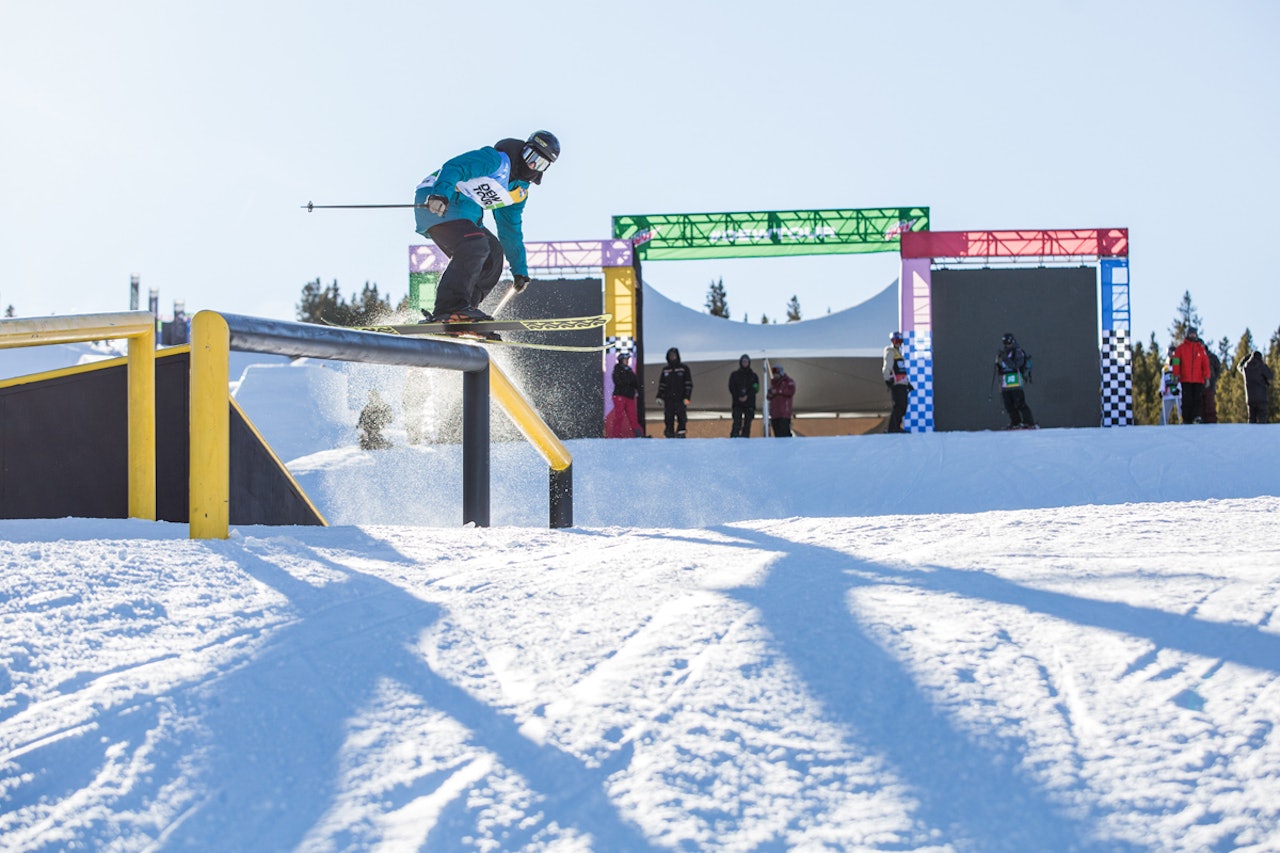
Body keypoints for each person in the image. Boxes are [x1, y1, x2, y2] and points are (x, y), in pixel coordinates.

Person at [413, 130, 560, 323]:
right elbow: (455, 167)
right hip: (437, 201)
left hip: (467, 216)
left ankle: (464, 312)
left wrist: (519, 269)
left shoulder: (518, 192)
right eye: (530, 156)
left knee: (493, 255)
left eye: (540, 163)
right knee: (475, 244)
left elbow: (510, 230)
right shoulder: (495, 161)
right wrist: (440, 194)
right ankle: (450, 308)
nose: (532, 164)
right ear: (523, 150)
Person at [993, 332, 1037, 429]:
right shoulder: (1006, 353)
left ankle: (1029, 422)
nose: (1007, 345)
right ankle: (1015, 422)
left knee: (1020, 403)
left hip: (1016, 382)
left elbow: (1016, 365)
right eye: (1005, 343)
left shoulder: (1017, 351)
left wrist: (1004, 358)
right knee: (1009, 405)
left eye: (1008, 343)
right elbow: (1006, 369)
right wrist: (999, 368)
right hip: (1006, 383)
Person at [1170, 326, 1211, 424]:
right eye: (1191, 333)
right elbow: (1176, 363)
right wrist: (1176, 374)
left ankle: (1196, 417)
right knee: (1186, 400)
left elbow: (1205, 364)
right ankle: (1186, 418)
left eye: (1194, 333)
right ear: (1187, 334)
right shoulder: (1180, 349)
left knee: (1197, 399)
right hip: (1185, 378)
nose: (1193, 335)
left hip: (1198, 379)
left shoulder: (1201, 349)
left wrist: (1207, 376)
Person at [656, 347, 693, 438]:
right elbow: (662, 385)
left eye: (674, 355)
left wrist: (687, 397)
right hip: (668, 399)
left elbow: (688, 384)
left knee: (681, 416)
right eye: (671, 355)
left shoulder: (683, 368)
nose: (672, 357)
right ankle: (669, 433)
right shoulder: (666, 370)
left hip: (681, 398)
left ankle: (681, 432)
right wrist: (659, 396)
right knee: (668, 416)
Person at [606, 353, 644, 438]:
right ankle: (616, 436)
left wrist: (636, 389)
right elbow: (618, 381)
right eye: (625, 359)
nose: (627, 361)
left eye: (628, 359)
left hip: (629, 396)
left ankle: (639, 435)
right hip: (620, 395)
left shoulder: (629, 370)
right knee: (619, 416)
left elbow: (635, 382)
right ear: (620, 360)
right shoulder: (617, 369)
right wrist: (629, 383)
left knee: (633, 417)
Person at [883, 331, 910, 433]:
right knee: (899, 405)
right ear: (892, 341)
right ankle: (893, 428)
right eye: (896, 341)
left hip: (902, 383)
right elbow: (887, 366)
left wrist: (907, 383)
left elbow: (901, 370)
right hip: (895, 383)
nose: (898, 343)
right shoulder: (890, 351)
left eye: (900, 341)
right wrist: (887, 379)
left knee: (903, 405)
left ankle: (896, 426)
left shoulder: (898, 353)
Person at [728, 354, 760, 437]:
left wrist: (747, 396)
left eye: (746, 361)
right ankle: (734, 438)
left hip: (749, 403)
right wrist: (738, 396)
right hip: (737, 402)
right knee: (736, 422)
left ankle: (745, 439)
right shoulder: (734, 375)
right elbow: (732, 387)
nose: (745, 363)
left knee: (747, 423)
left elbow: (756, 389)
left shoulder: (754, 376)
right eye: (743, 361)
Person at [1239, 350, 1273, 424]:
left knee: (1251, 418)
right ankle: (1261, 434)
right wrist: (1265, 365)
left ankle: (1251, 434)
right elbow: (1270, 376)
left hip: (1250, 398)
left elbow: (1239, 366)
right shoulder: (1262, 366)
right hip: (1262, 397)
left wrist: (1246, 358)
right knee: (1262, 418)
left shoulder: (1245, 367)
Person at [767, 364, 796, 437]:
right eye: (774, 374)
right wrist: (771, 393)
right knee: (777, 434)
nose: (775, 375)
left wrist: (777, 391)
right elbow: (768, 396)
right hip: (774, 414)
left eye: (777, 374)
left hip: (784, 413)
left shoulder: (788, 381)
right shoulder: (773, 383)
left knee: (785, 433)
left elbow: (791, 391)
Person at [1202, 344, 1222, 423]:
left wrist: (1213, 377)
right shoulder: (1196, 356)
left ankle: (1211, 421)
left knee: (1209, 403)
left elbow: (1218, 368)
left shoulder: (1211, 357)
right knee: (1201, 405)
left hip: (1210, 383)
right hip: (1198, 384)